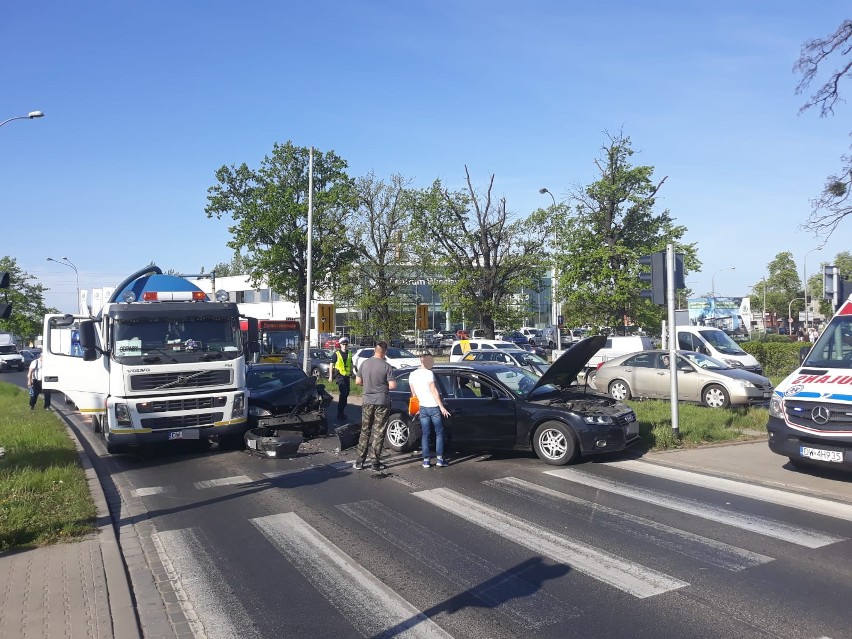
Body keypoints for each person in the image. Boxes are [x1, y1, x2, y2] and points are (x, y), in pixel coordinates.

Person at [353, 341, 397, 471]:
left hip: (367, 400)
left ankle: (359, 461)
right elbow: (393, 386)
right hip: (382, 401)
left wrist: (368, 385)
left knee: (365, 430)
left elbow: (358, 381)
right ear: (385, 352)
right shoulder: (387, 366)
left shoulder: (364, 364)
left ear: (374, 350)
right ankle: (375, 462)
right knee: (379, 431)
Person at [409, 352, 451, 468]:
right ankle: (439, 459)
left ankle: (426, 460)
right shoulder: (429, 373)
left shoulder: (412, 374)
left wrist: (417, 408)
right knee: (439, 433)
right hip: (433, 407)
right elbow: (434, 391)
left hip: (422, 407)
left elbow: (414, 394)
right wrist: (441, 407)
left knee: (425, 434)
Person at [329, 336, 353, 421]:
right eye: (343, 344)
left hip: (346, 376)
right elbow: (331, 364)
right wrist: (331, 376)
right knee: (343, 392)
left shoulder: (349, 353)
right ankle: (340, 412)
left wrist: (351, 372)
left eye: (346, 344)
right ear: (340, 345)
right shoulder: (336, 354)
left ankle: (342, 410)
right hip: (339, 376)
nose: (345, 346)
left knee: (346, 394)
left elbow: (351, 363)